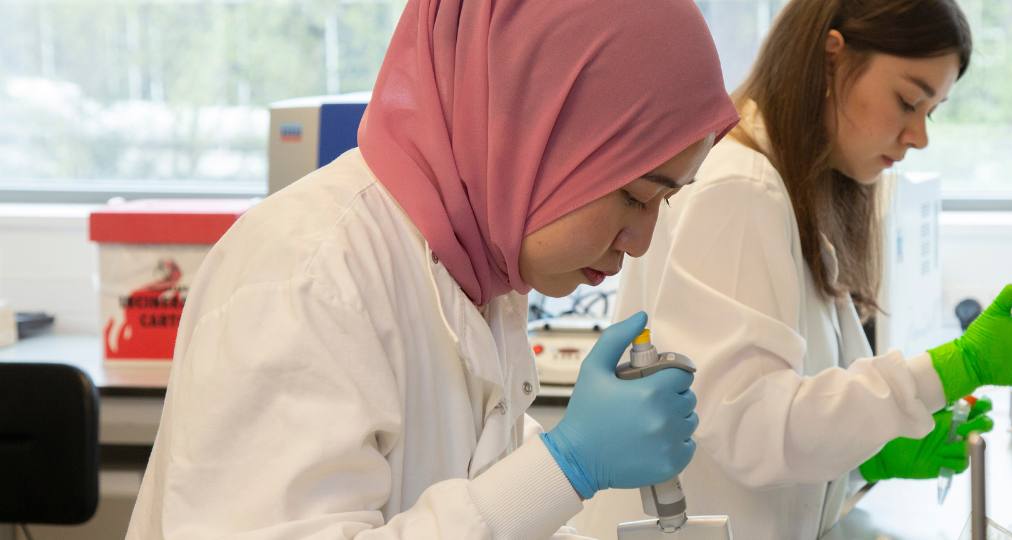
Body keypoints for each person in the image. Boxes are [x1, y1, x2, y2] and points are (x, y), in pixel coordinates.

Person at [125, 0, 737, 537]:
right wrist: (564, 468)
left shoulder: (477, 274)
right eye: (633, 195)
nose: (641, 241)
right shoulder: (305, 273)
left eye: (666, 201)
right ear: (537, 131)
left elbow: (461, 496)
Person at [613, 0, 1012, 537]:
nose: (919, 136)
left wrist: (863, 457)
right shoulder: (740, 189)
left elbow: (783, 415)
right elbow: (752, 431)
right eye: (907, 101)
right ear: (832, 57)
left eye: (931, 112)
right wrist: (955, 367)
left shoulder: (790, 189)